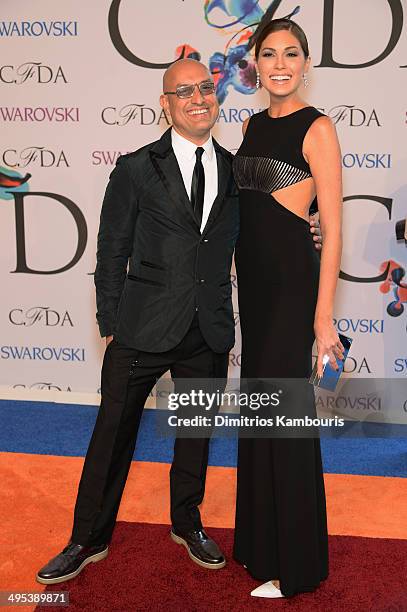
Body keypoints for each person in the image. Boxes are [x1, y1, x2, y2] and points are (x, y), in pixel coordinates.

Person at [36, 58, 322, 585]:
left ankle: (187, 523)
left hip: (207, 328)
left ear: (217, 97)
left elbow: (278, 218)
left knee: (195, 436)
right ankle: (86, 538)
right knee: (111, 437)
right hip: (140, 328)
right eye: (183, 91)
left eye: (206, 88)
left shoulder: (238, 170)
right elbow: (111, 246)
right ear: (164, 104)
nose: (198, 98)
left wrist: (310, 231)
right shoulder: (136, 167)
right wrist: (108, 318)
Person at [232, 17, 343, 599]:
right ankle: (261, 544)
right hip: (254, 287)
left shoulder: (317, 128)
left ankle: (295, 564)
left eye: (291, 54)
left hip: (291, 291)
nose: (279, 64)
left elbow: (333, 228)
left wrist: (323, 319)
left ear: (306, 63)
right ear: (255, 63)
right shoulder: (251, 124)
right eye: (269, 53)